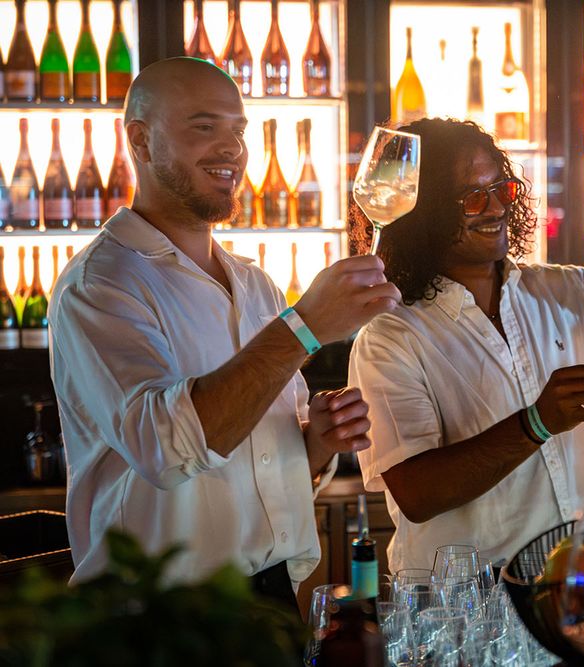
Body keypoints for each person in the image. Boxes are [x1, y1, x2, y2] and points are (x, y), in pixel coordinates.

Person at [48, 58, 401, 602]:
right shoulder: (100, 284)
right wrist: (303, 329)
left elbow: (263, 463)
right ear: (140, 142)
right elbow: (166, 450)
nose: (232, 149)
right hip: (164, 617)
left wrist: (315, 442)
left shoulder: (255, 283)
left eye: (239, 130)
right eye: (204, 126)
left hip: (273, 596)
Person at [347, 118, 584, 572]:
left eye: (501, 190)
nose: (496, 208)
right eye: (472, 198)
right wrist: (536, 424)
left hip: (570, 585)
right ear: (420, 214)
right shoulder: (390, 337)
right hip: (465, 605)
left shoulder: (570, 292)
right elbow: (417, 494)